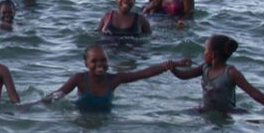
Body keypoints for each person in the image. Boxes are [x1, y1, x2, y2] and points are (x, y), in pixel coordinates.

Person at [41, 44, 189, 111]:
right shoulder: (79, 79)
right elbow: (56, 95)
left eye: (104, 60)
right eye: (94, 61)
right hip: (83, 119)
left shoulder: (114, 80)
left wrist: (171, 64)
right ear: (86, 64)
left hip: (106, 120)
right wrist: (32, 106)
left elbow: (143, 73)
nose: (100, 64)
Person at [170, 35, 264, 116]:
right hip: (206, 110)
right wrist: (173, 68)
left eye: (205, 50)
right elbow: (184, 76)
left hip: (227, 112)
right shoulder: (204, 68)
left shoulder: (231, 73)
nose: (203, 53)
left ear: (212, 55)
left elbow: (253, 93)